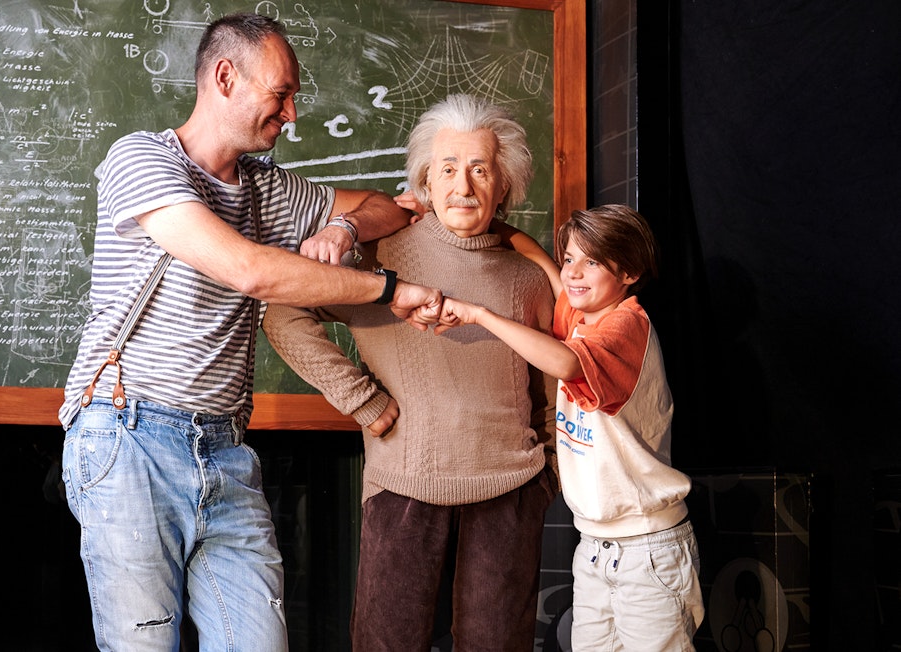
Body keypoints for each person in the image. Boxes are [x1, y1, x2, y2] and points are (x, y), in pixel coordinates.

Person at [57, 13, 445, 652]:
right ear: (225, 77)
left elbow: (387, 207)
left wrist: (343, 230)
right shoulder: (142, 159)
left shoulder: (271, 188)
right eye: (282, 94)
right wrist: (389, 291)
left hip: (226, 448)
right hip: (130, 438)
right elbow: (249, 269)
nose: (292, 114)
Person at [263, 93, 558, 651]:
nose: (463, 186)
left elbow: (550, 385)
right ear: (425, 178)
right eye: (447, 169)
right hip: (404, 486)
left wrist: (549, 474)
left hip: (511, 489)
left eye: (479, 169)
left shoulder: (529, 276)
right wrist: (364, 402)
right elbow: (283, 311)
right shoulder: (381, 257)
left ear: (505, 184)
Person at [436, 204, 705, 651]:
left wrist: (479, 315)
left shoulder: (626, 325)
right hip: (595, 546)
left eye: (593, 261)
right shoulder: (580, 311)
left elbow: (565, 362)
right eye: (571, 259)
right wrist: (473, 220)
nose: (575, 273)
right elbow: (540, 258)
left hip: (648, 549)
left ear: (630, 272)